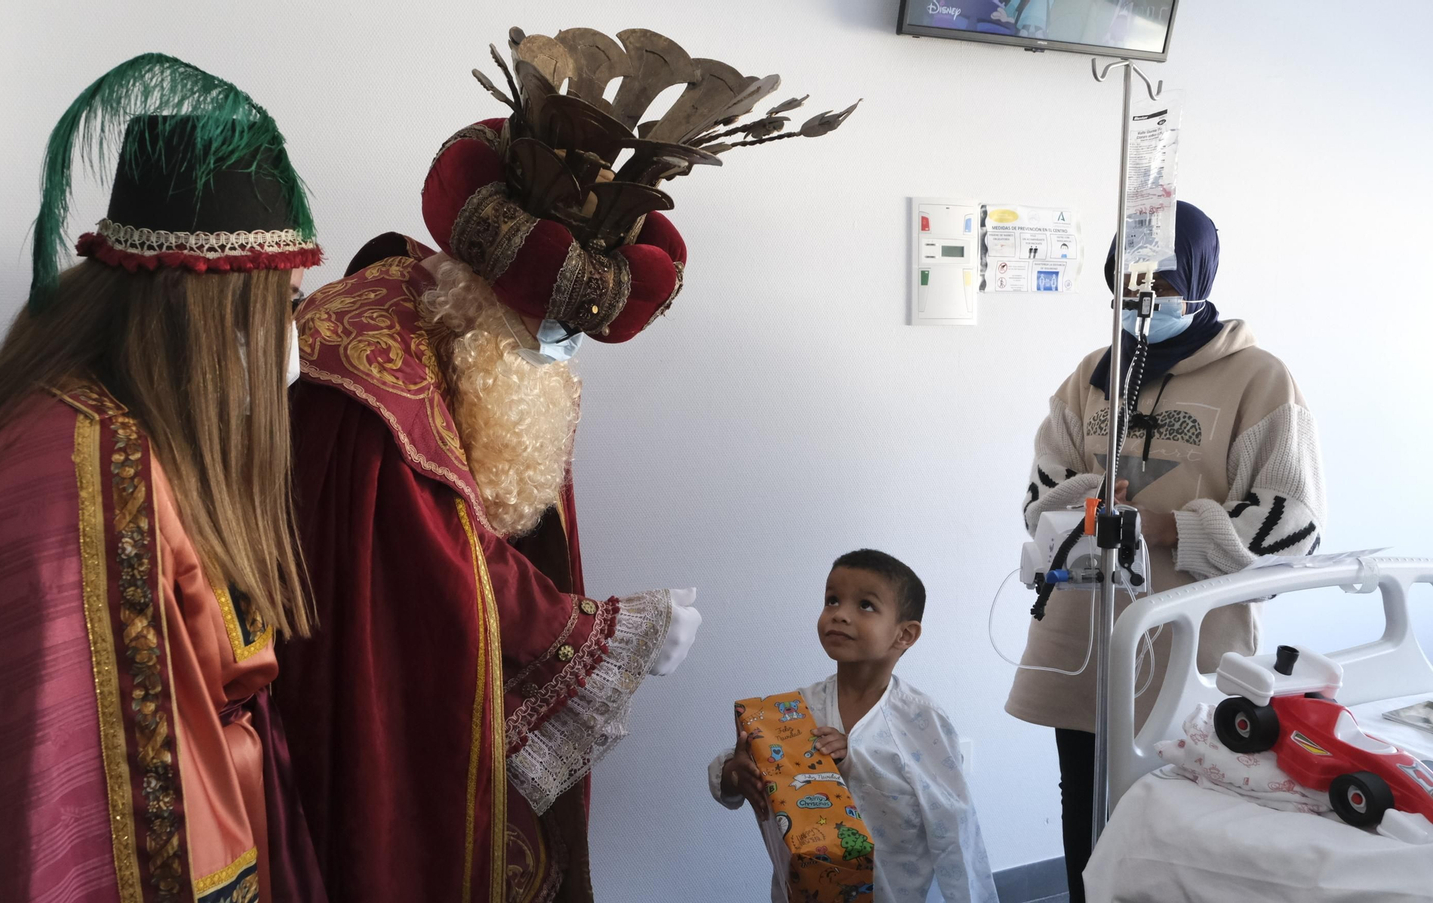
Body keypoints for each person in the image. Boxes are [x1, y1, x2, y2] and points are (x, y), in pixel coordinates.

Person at [274, 25, 857, 903]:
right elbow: (429, 563)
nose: (559, 349)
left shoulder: (476, 346)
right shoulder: (374, 371)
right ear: (490, 290)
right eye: (550, 326)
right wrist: (606, 630)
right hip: (364, 700)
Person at [0, 54, 328, 902]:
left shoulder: (125, 432)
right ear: (201, 315)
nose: (293, 355)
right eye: (280, 309)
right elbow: (66, 829)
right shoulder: (76, 489)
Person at [1006, 201, 1326, 901]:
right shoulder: (1093, 374)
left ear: (1200, 277)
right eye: (1128, 280)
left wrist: (1170, 526)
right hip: (1084, 636)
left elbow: (1291, 525)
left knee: (1182, 824)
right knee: (1086, 809)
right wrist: (1094, 497)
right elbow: (1039, 497)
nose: (1142, 297)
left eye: (1161, 281)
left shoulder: (1258, 379)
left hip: (1189, 641)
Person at [709, 550, 998, 901]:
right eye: (832, 600)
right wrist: (735, 774)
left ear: (905, 634)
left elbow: (954, 828)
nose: (840, 614)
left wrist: (855, 756)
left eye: (865, 605)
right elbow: (732, 768)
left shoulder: (922, 721)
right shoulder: (795, 710)